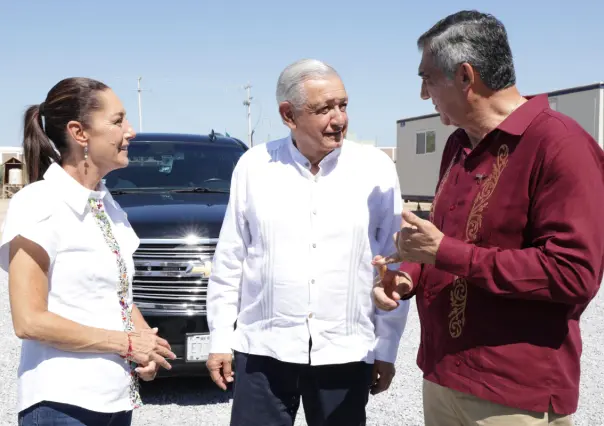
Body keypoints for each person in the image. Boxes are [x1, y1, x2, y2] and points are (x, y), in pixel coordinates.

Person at [373, 10, 604, 426]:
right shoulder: (459, 145)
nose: (424, 94)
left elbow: (574, 273)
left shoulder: (560, 145)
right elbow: (441, 240)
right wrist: (408, 275)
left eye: (427, 78)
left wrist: (446, 252)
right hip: (443, 377)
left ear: (465, 76)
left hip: (511, 396)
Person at [206, 58, 410, 426]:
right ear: (289, 114)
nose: (339, 119)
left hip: (345, 351)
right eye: (324, 109)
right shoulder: (253, 167)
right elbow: (230, 260)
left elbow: (393, 263)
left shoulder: (375, 168)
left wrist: (387, 347)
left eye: (343, 105)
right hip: (264, 350)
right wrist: (220, 338)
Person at [0, 77, 176, 426]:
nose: (131, 131)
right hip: (61, 404)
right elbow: (29, 320)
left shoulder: (108, 206)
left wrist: (146, 345)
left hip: (115, 401)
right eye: (117, 120)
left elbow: (115, 293)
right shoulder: (38, 203)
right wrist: (126, 343)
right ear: (80, 133)